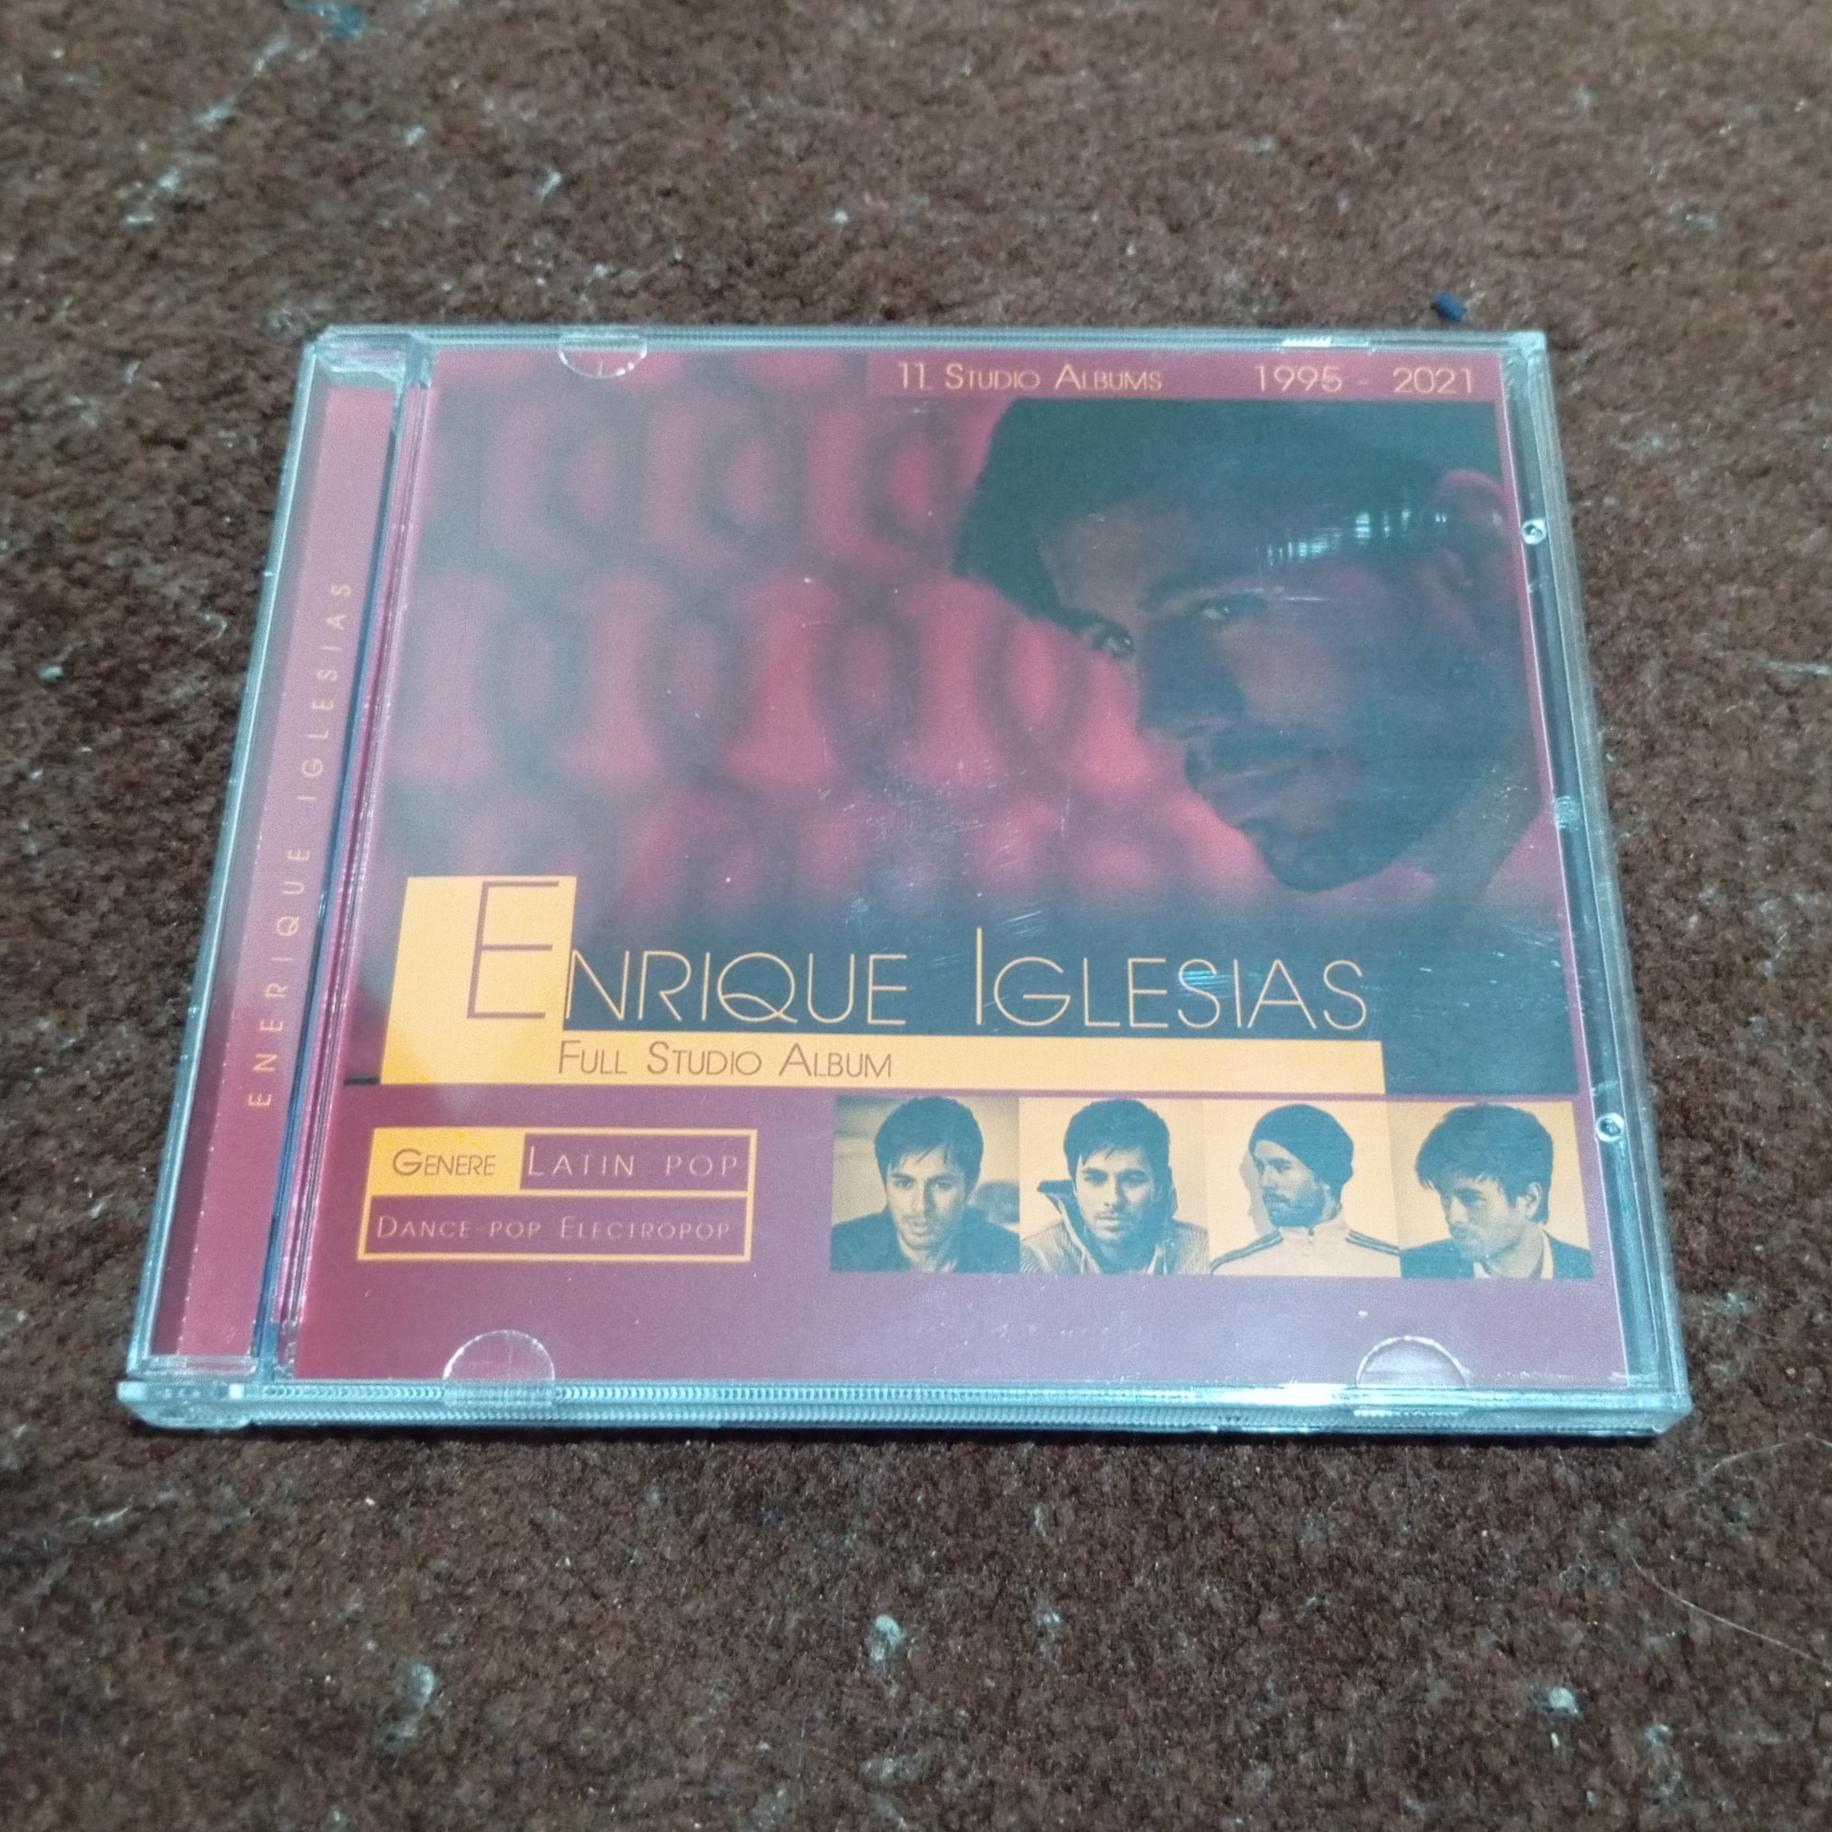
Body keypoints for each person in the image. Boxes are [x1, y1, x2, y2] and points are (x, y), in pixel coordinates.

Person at [954, 400, 1536, 905]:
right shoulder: (1448, 956)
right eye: (1117, 642)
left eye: (1222, 609)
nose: (1165, 714)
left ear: (1466, 549)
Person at [1401, 1103, 1592, 1279]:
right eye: (1445, 1196)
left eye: (1471, 1198)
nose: (1453, 1217)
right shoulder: (1411, 1268)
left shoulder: (1590, 1270)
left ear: (1529, 1200)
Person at [830, 1096, 1018, 1272]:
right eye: (904, 1183)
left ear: (969, 1186)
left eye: (941, 1185)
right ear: (885, 1183)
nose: (921, 1206)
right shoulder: (837, 1251)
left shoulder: (1013, 1255)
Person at [1023, 1098, 1209, 1274]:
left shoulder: (1204, 1256)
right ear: (1074, 1187)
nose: (1113, 1199)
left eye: (1132, 1180)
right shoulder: (1036, 1260)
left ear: (1160, 1186)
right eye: (1095, 1179)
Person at [1211, 1103, 1399, 1276]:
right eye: (1260, 1167)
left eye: (1281, 1167)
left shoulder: (1390, 1264)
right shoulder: (1230, 1270)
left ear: (1326, 1176)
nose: (1264, 1182)